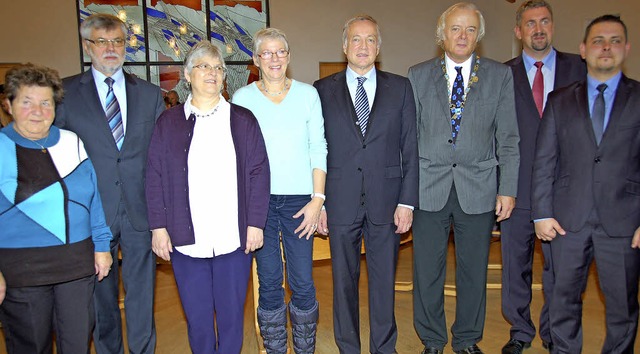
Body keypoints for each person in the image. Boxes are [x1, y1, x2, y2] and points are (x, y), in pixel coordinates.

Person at [408, 3, 520, 353]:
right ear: (441, 35)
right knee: (427, 271)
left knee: (474, 271)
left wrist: (508, 189)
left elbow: (509, 139)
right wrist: (405, 193)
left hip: (480, 188)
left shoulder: (500, 76)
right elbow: (408, 139)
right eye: (455, 28)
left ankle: (468, 339)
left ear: (479, 36)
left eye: (470, 29)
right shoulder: (417, 75)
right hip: (428, 187)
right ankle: (432, 339)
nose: (463, 35)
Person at [145, 40, 270, 354]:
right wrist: (158, 227)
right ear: (188, 74)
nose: (212, 73)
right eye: (203, 66)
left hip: (233, 239)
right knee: (198, 320)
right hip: (186, 240)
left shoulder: (243, 120)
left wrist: (256, 223)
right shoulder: (168, 123)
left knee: (231, 319)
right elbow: (154, 176)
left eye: (218, 68)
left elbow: (259, 173)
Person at [55, 13, 164, 354]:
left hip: (139, 212)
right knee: (101, 296)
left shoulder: (149, 94)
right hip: (92, 213)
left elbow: (161, 159)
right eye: (102, 42)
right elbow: (58, 158)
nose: (111, 49)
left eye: (117, 41)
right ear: (88, 46)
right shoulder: (65, 94)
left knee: (142, 294)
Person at [532, 14, 640, 353]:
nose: (605, 47)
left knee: (623, 309)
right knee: (562, 303)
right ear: (583, 49)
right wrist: (541, 213)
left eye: (614, 40)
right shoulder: (560, 99)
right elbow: (544, 159)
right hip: (566, 222)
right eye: (597, 40)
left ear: (627, 48)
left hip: (624, 223)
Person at [314, 15, 418, 354]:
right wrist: (320, 203)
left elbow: (411, 148)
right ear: (344, 46)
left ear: (379, 46)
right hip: (339, 203)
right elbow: (314, 150)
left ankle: (383, 348)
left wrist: (407, 202)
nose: (363, 46)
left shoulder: (400, 88)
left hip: (387, 203)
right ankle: (348, 348)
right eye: (356, 39)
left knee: (383, 284)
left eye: (370, 39)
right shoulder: (322, 90)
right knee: (343, 284)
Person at [0, 63, 113, 353]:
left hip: (76, 267)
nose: (37, 111)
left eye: (45, 103)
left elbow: (93, 199)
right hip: (20, 273)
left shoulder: (71, 142)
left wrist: (101, 247)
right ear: (9, 104)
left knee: (76, 344)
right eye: (27, 102)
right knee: (30, 346)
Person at [233, 28, 327, 354]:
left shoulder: (307, 95)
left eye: (281, 52)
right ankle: (274, 350)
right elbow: (236, 156)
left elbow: (319, 147)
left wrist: (319, 200)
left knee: (302, 281)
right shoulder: (242, 100)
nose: (275, 58)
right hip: (259, 203)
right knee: (269, 281)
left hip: (301, 202)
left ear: (288, 56)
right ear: (256, 59)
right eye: (267, 53)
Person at [500, 2, 586, 353]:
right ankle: (520, 332)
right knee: (515, 268)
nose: (538, 29)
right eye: (530, 23)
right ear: (518, 31)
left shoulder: (580, 69)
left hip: (566, 191)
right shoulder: (501, 75)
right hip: (516, 190)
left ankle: (555, 335)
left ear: (552, 26)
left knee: (561, 272)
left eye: (544, 21)